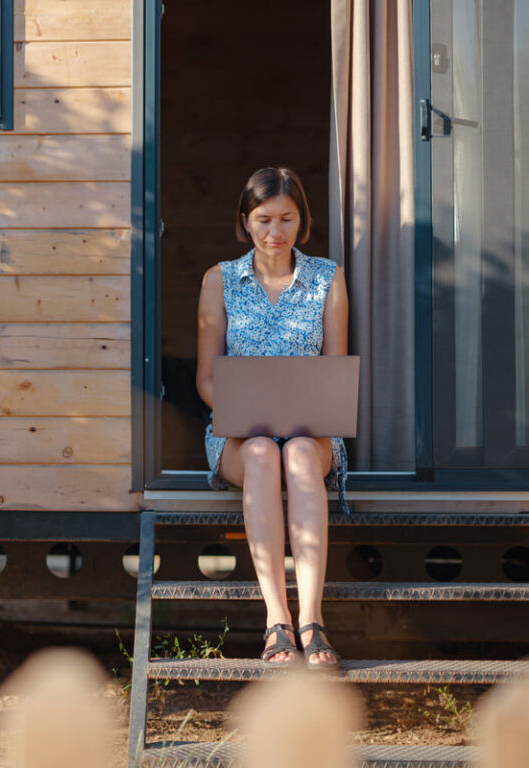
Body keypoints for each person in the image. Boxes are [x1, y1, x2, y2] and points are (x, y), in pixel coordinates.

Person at [195, 167, 348, 669]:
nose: (275, 231)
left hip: (310, 432)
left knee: (300, 453)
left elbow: (334, 370)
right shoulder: (219, 280)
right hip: (243, 435)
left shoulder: (328, 278)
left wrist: (310, 418)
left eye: (287, 218)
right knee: (262, 452)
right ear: (245, 222)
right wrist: (242, 416)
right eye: (263, 219)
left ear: (302, 222)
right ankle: (276, 621)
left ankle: (312, 620)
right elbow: (206, 379)